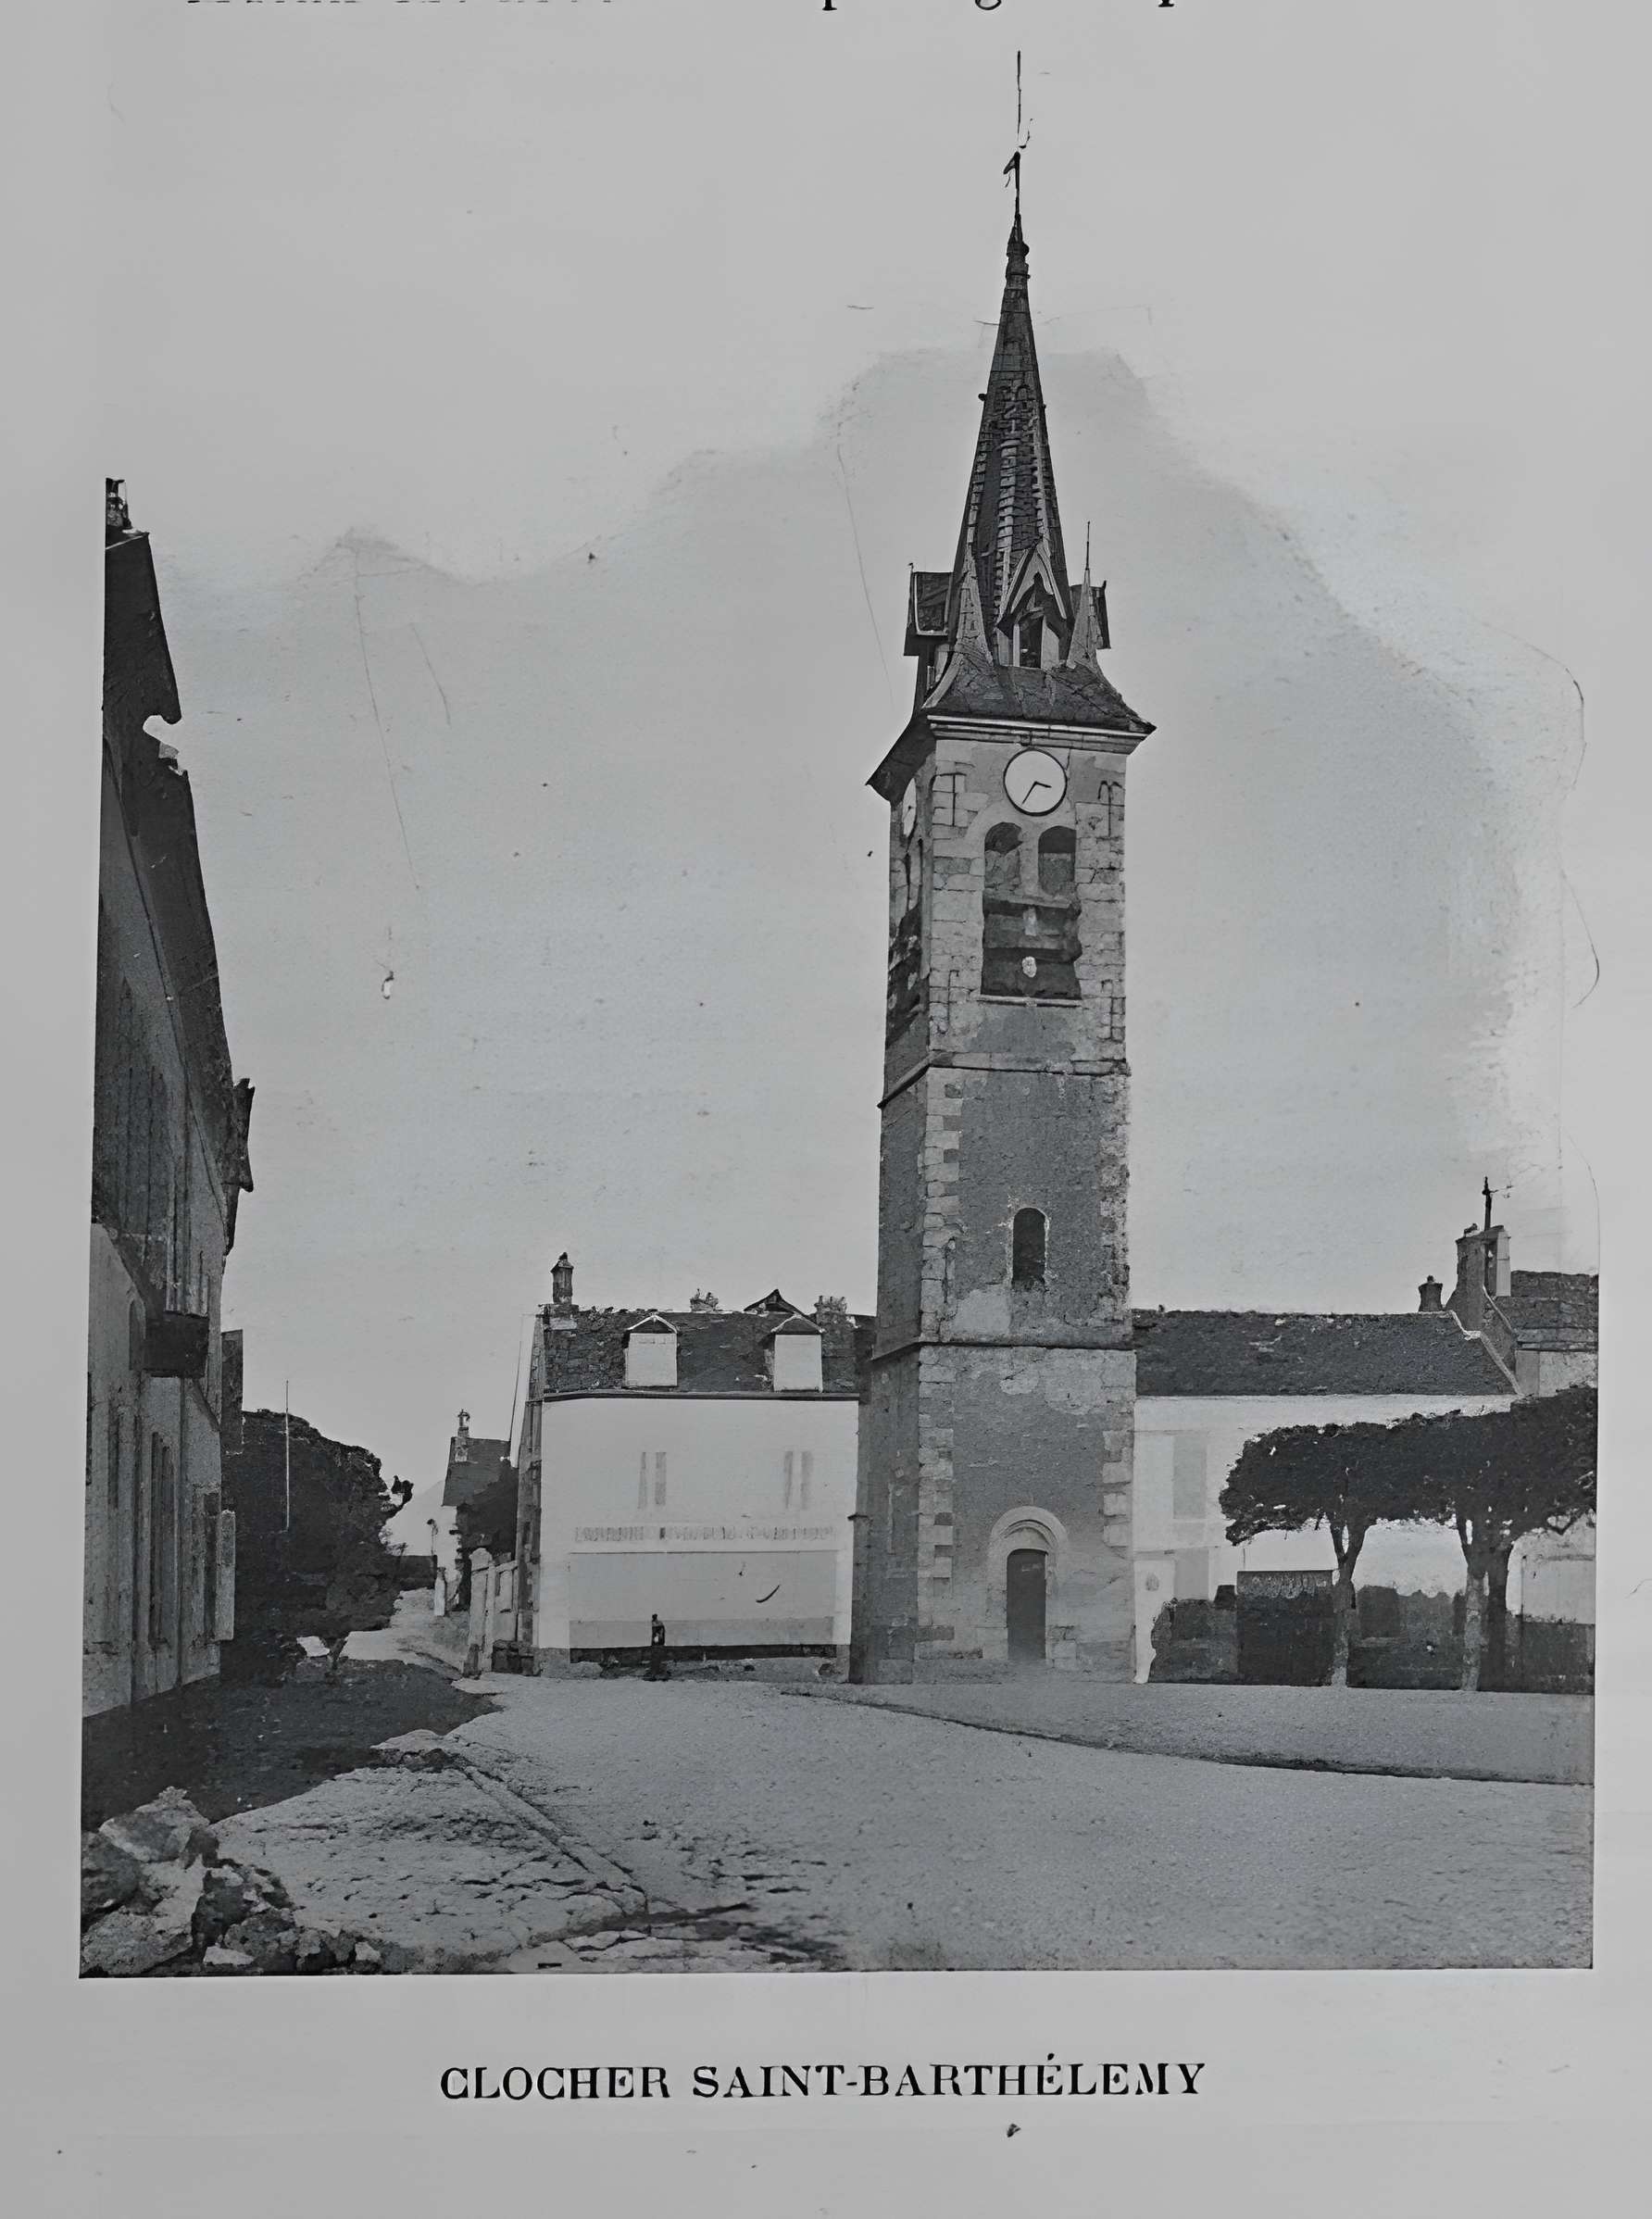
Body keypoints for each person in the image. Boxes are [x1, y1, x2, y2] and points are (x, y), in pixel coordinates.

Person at [645, 1611, 669, 1681]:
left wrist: (657, 1637)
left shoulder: (654, 1623)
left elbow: (656, 1633)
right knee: (658, 1656)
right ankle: (657, 1673)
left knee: (656, 1656)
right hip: (659, 1641)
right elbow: (661, 1631)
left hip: (657, 1641)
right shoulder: (660, 1622)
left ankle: (655, 1674)